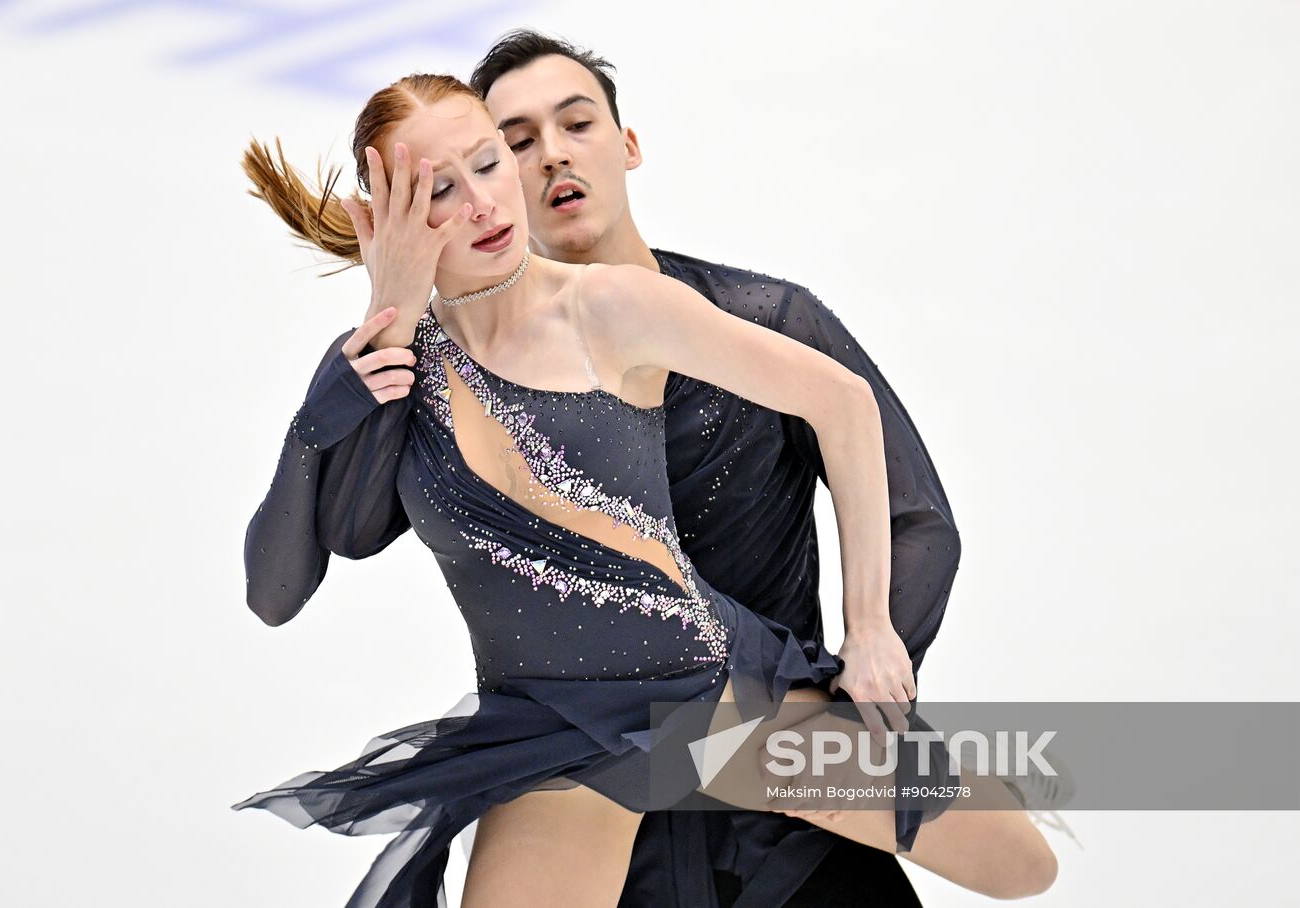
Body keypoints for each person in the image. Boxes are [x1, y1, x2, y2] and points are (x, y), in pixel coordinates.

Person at [229, 73, 1056, 907]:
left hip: (707, 690)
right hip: (550, 737)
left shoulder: (611, 307)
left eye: (489, 163)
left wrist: (872, 625)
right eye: (440, 190)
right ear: (390, 220)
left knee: (1021, 863)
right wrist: (320, 416)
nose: (484, 202)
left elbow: (841, 400)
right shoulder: (387, 369)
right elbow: (276, 593)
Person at [463, 31, 963, 907]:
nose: (553, 155)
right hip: (609, 832)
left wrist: (856, 672)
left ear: (627, 145)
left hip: (795, 825)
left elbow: (917, 517)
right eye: (516, 143)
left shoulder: (767, 319)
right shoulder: (483, 381)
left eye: (577, 123)